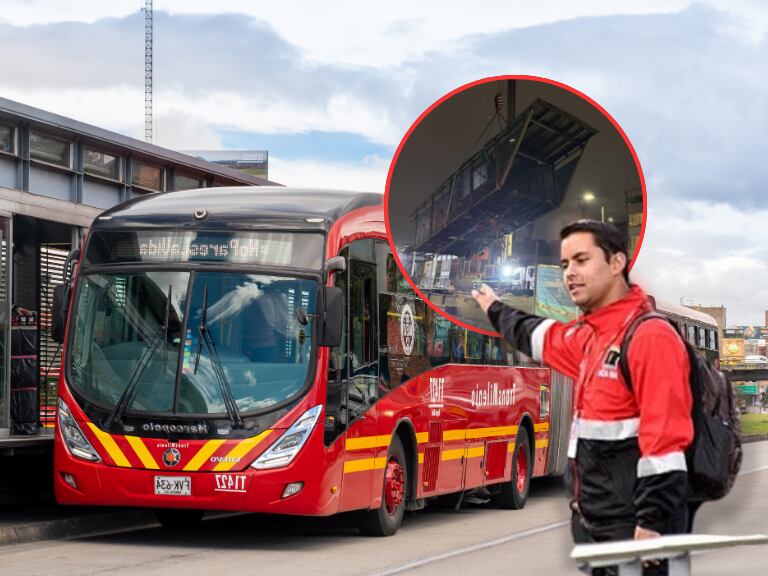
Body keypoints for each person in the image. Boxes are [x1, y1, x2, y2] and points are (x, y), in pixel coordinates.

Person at [472, 220, 692, 575]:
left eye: (581, 260)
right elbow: (539, 335)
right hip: (597, 528)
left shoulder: (650, 337)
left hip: (637, 532)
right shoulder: (589, 337)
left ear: (617, 263)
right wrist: (494, 308)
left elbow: (665, 444)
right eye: (564, 265)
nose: (570, 273)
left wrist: (654, 523)